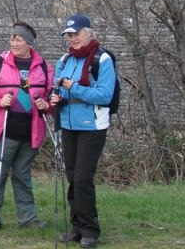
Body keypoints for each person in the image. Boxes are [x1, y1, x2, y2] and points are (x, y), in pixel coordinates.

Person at [0, 20, 53, 231]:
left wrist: (46, 104)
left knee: (23, 175)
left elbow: (52, 98)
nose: (14, 42)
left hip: (31, 133)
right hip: (4, 131)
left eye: (18, 38)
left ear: (29, 42)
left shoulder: (44, 67)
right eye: (12, 38)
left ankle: (27, 219)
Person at [49, 14, 115, 248]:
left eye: (76, 34)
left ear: (89, 32)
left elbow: (104, 95)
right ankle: (77, 226)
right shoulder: (65, 60)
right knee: (72, 176)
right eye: (69, 35)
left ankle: (90, 230)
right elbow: (57, 88)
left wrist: (73, 88)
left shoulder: (103, 59)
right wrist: (55, 96)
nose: (72, 38)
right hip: (68, 124)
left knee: (82, 178)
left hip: (93, 126)